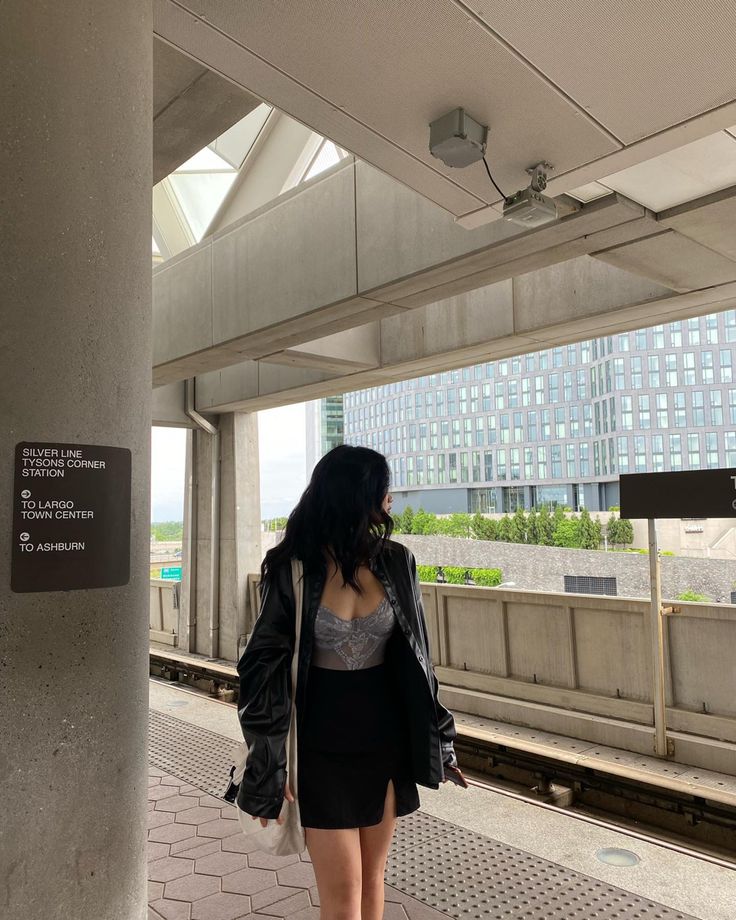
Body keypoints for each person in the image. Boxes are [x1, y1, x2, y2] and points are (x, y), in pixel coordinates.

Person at [236, 444, 467, 920]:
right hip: (320, 751)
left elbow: (421, 662)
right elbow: (260, 672)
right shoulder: (293, 569)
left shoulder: (397, 562)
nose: (391, 498)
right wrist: (267, 764)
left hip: (385, 747)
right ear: (359, 496)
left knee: (371, 881)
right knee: (342, 898)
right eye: (384, 488)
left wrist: (440, 741)